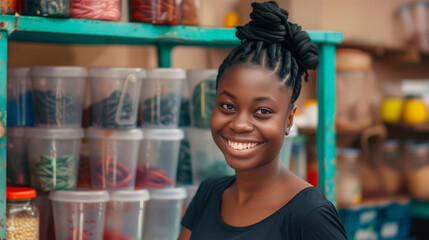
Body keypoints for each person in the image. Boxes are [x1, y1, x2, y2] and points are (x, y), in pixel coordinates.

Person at [178, 1, 347, 239]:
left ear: (289, 121)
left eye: (262, 111)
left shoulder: (308, 214)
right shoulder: (209, 193)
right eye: (228, 106)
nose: (239, 124)